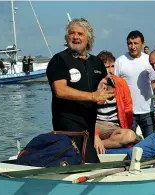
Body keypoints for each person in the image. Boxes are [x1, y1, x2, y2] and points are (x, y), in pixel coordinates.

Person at [46, 18, 114, 163]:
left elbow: (108, 87)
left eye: (80, 34)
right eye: (72, 33)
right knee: (83, 164)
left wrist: (104, 90)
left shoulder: (96, 62)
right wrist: (93, 96)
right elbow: (60, 90)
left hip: (89, 130)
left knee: (91, 164)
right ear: (67, 37)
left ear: (88, 39)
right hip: (67, 131)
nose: (75, 37)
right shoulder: (59, 60)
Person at [115, 30, 155, 138]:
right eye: (130, 43)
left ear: (143, 44)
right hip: (128, 112)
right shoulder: (120, 61)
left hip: (147, 111)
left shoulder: (149, 60)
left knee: (151, 142)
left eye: (136, 43)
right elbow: (115, 86)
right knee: (128, 143)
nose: (132, 46)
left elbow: (154, 83)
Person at [94, 50, 137, 154]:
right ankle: (97, 141)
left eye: (112, 66)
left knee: (130, 135)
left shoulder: (120, 83)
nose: (110, 70)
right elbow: (87, 111)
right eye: (107, 67)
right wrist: (95, 135)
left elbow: (128, 107)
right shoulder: (93, 83)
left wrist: (127, 127)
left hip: (114, 125)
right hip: (97, 124)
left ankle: (100, 143)